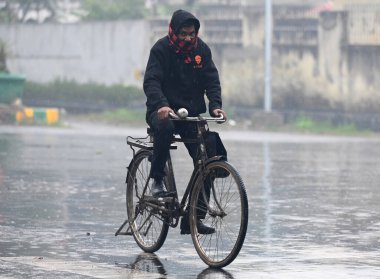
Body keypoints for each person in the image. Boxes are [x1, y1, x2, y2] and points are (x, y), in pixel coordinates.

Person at [143, 9, 227, 234]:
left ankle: (194, 216)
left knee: (207, 156)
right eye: (184, 34)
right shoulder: (161, 49)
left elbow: (212, 80)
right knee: (164, 128)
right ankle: (157, 180)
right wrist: (161, 104)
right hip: (163, 111)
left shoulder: (201, 50)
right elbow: (151, 81)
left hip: (190, 114)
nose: (189, 38)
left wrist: (216, 105)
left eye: (192, 34)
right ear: (174, 31)